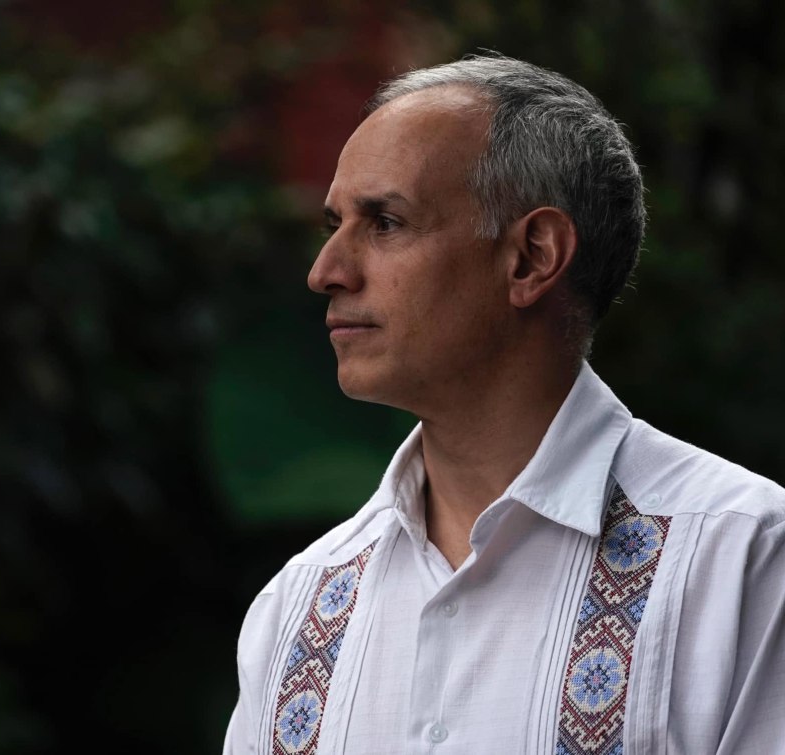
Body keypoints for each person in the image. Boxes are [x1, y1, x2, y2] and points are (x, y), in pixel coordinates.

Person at [222, 53, 785, 754]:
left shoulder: (741, 557)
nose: (326, 271)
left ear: (531, 256)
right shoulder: (297, 606)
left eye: (386, 222)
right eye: (333, 225)